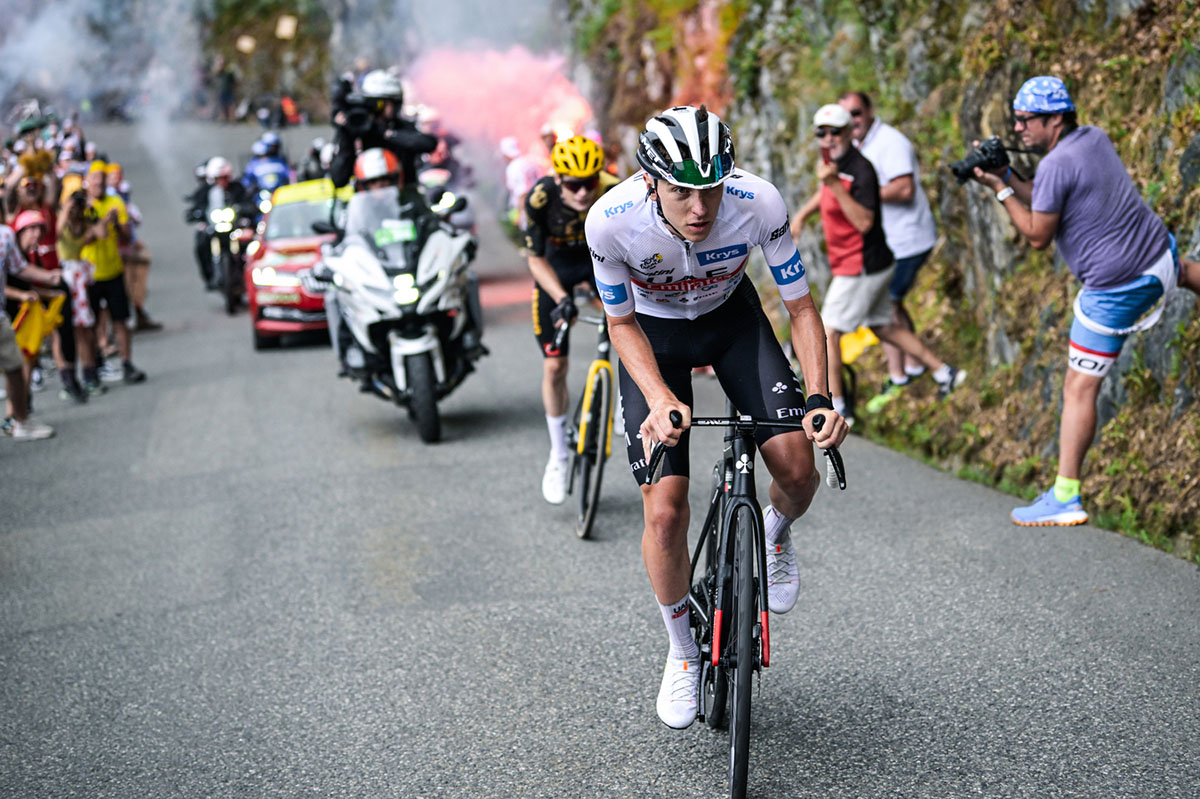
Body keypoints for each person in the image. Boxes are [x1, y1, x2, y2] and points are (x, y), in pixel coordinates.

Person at [585, 105, 848, 729]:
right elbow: (619, 324)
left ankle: (775, 534)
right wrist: (658, 398)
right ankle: (681, 650)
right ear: (650, 181)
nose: (700, 209)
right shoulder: (610, 223)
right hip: (653, 338)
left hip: (733, 324)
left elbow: (803, 310)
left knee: (797, 467)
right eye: (681, 193)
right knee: (665, 508)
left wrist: (819, 398)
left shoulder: (757, 202)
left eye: (709, 192)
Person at [967, 76, 1200, 526]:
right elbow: (1049, 194)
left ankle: (1066, 494)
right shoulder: (1092, 138)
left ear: (1055, 118)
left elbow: (1037, 233)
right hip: (1159, 254)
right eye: (1016, 120)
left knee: (1078, 388)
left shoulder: (1055, 165)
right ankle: (1065, 492)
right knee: (1188, 272)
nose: (1018, 129)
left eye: (1025, 120)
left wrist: (998, 190)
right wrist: (1008, 176)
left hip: (1116, 290)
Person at [792, 105, 964, 423]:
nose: (829, 139)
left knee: (827, 332)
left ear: (849, 133)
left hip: (862, 265)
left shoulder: (861, 170)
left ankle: (838, 407)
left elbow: (864, 221)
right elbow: (825, 193)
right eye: (822, 133)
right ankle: (945, 371)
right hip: (863, 262)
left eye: (836, 132)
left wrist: (832, 185)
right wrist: (802, 215)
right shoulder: (833, 164)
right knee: (883, 325)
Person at [524, 136, 619, 503]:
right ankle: (558, 455)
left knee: (632, 325)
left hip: (600, 262)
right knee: (554, 366)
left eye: (589, 182)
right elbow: (534, 259)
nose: (583, 192)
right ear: (558, 179)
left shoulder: (614, 190)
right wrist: (563, 299)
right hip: (557, 267)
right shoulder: (539, 198)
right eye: (574, 184)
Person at [837, 92, 940, 412]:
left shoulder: (890, 142)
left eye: (856, 113)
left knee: (885, 306)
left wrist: (861, 195)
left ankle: (905, 373)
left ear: (870, 111)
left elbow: (905, 188)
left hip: (908, 240)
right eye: (845, 116)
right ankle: (910, 367)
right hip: (889, 242)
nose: (852, 121)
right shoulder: (859, 146)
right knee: (888, 306)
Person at [81, 161, 146, 384]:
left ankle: (127, 364)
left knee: (120, 320)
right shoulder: (82, 207)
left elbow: (128, 237)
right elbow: (82, 239)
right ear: (87, 181)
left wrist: (116, 224)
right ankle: (94, 366)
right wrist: (102, 223)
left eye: (102, 178)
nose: (98, 182)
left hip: (113, 271)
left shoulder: (115, 202)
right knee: (90, 324)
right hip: (89, 275)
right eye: (95, 178)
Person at [328, 70, 438, 190]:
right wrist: (346, 136)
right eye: (374, 104)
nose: (377, 110)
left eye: (383, 104)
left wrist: (387, 133)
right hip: (368, 204)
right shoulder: (358, 132)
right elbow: (339, 180)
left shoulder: (402, 129)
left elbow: (429, 143)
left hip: (404, 201)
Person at [1, 224, 58, 439]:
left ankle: (21, 422)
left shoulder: (5, 235)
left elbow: (19, 267)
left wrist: (48, 276)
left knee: (16, 366)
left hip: (0, 318)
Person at [187, 156, 250, 289]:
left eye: (224, 177)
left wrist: (244, 210)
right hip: (213, 226)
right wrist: (197, 214)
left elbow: (249, 202)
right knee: (201, 243)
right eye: (218, 178)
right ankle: (209, 276)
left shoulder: (237, 188)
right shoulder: (205, 191)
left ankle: (249, 275)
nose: (222, 181)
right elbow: (195, 207)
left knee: (250, 244)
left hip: (234, 226)